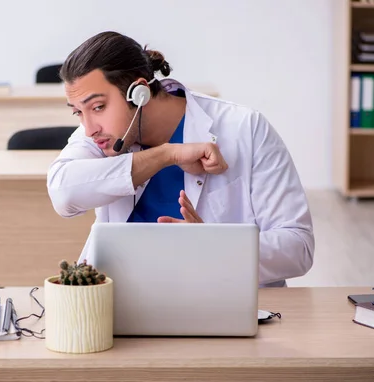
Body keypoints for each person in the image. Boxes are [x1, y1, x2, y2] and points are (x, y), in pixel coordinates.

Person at [46, 31, 314, 287]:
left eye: (98, 107)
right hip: (122, 305)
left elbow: (297, 247)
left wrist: (211, 247)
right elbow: (63, 193)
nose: (89, 126)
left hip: (219, 301)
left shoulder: (245, 127)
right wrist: (168, 154)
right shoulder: (99, 135)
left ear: (139, 93)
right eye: (77, 113)